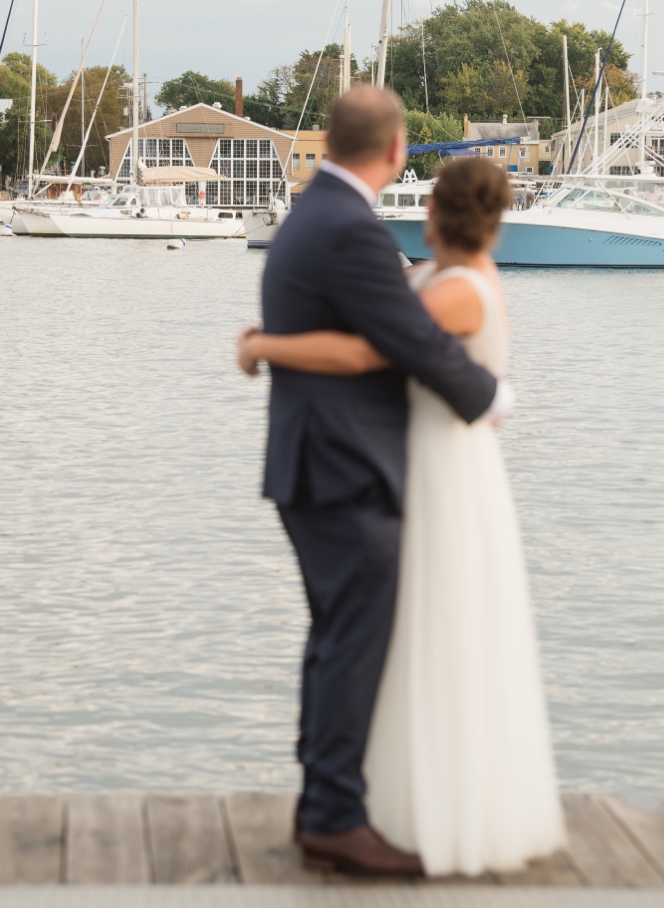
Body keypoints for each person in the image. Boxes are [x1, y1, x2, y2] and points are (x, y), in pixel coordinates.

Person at [239, 156, 565, 877]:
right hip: (414, 464)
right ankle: (365, 799)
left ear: (433, 212)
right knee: (394, 633)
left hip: (445, 472)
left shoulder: (455, 291)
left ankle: (413, 804)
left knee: (428, 632)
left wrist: (265, 343)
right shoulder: (436, 278)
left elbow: (361, 350)